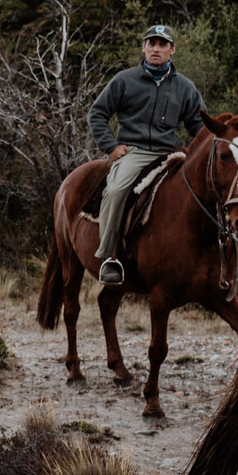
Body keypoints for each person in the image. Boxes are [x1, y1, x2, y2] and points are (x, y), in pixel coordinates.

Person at [87, 24, 207, 285]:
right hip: (134, 151)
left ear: (172, 50)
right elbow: (97, 114)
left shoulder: (185, 88)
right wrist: (110, 145)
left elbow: (199, 127)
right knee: (117, 189)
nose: (156, 48)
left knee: (209, 189)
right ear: (143, 47)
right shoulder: (124, 80)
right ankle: (109, 256)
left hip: (171, 153)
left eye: (162, 44)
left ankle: (216, 259)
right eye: (151, 43)